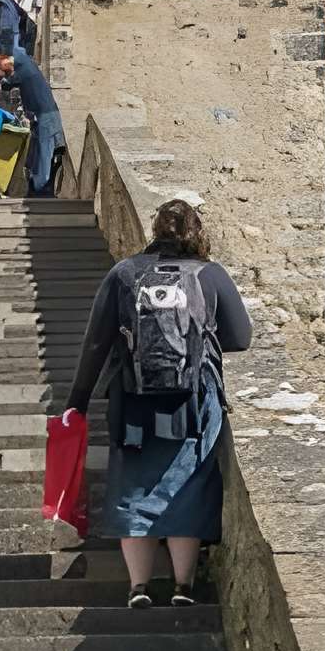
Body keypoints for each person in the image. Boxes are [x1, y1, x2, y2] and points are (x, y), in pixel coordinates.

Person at [63, 198, 253, 608]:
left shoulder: (125, 273)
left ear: (155, 231)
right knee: (190, 483)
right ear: (197, 232)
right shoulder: (210, 274)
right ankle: (183, 586)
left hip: (134, 400)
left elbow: (96, 342)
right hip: (194, 401)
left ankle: (139, 587)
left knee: (133, 484)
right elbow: (241, 337)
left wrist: (77, 401)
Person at [0, 44, 65, 197]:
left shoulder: (21, 68)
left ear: (0, 61)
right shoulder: (22, 62)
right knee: (36, 156)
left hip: (46, 116)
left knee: (43, 158)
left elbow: (8, 84)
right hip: (42, 115)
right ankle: (37, 189)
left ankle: (40, 194)